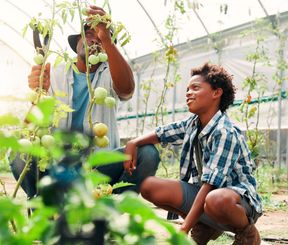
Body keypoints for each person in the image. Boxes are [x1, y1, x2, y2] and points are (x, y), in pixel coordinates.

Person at [11, 5, 159, 197]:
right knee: (20, 154)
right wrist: (39, 93)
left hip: (99, 169)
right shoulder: (56, 72)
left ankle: (109, 214)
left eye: (100, 35)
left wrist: (106, 37)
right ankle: (48, 210)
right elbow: (29, 128)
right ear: (78, 40)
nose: (94, 38)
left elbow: (126, 89)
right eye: (88, 33)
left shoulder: (110, 72)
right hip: (58, 167)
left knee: (147, 154)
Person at [124, 63, 263, 244]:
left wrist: (183, 229)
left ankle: (247, 233)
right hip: (207, 197)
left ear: (216, 93)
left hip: (238, 203)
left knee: (216, 199)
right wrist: (133, 143)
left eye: (195, 88)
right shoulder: (193, 123)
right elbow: (163, 133)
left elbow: (210, 186)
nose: (188, 93)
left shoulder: (225, 132)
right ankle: (204, 225)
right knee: (148, 186)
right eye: (188, 89)